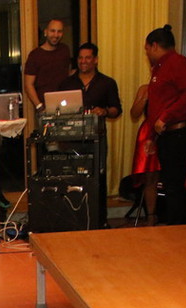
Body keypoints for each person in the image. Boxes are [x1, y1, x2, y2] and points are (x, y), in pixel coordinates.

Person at [144, 25, 186, 225]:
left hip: (180, 132)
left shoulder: (178, 64)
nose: (147, 54)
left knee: (173, 184)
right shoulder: (160, 68)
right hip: (167, 134)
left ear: (154, 46)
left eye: (147, 49)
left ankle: (178, 227)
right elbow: (158, 105)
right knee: (172, 183)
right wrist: (152, 137)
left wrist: (167, 116)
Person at [58, 43, 122, 227]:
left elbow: (116, 109)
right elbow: (57, 109)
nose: (83, 61)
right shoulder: (67, 84)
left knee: (97, 178)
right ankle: (73, 219)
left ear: (95, 60)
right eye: (80, 58)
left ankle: (99, 221)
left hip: (96, 138)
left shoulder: (107, 83)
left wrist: (104, 111)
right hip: (71, 140)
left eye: (87, 57)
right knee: (71, 178)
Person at [24, 19, 72, 112]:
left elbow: (68, 74)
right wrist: (39, 106)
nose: (56, 35)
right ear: (45, 32)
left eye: (59, 31)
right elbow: (28, 84)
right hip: (45, 109)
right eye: (52, 31)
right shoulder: (35, 55)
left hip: (65, 105)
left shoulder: (65, 50)